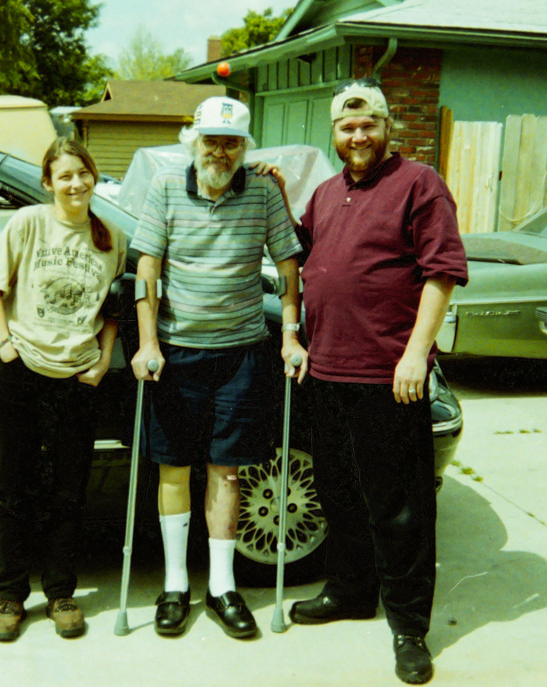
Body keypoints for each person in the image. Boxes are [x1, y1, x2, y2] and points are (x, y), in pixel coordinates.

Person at [289, 78, 468, 684]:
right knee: (339, 494)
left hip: (390, 376)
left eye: (369, 124)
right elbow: (310, 260)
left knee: (400, 507)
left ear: (387, 126)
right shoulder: (324, 194)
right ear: (334, 133)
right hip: (328, 370)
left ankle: (410, 627)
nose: (358, 135)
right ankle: (349, 592)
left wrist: (417, 354)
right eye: (347, 126)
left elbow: (441, 273)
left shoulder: (419, 184)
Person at [130, 96, 308, 639]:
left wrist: (290, 335)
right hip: (176, 352)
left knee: (227, 470)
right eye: (212, 140)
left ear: (244, 146)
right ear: (194, 142)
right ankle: (176, 585)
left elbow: (288, 266)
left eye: (232, 141)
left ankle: (223, 587)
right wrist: (145, 343)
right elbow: (147, 269)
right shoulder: (164, 187)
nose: (221, 151)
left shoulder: (261, 191)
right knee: (174, 468)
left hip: (240, 353)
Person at [0, 137, 126, 642]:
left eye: (83, 173)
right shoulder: (28, 224)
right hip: (21, 374)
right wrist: (5, 348)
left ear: (94, 176)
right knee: (12, 491)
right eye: (64, 176)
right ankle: (11, 596)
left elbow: (114, 309)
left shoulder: (111, 236)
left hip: (78, 380)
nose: (75, 183)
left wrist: (103, 361)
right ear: (48, 183)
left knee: (68, 492)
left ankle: (61, 592)